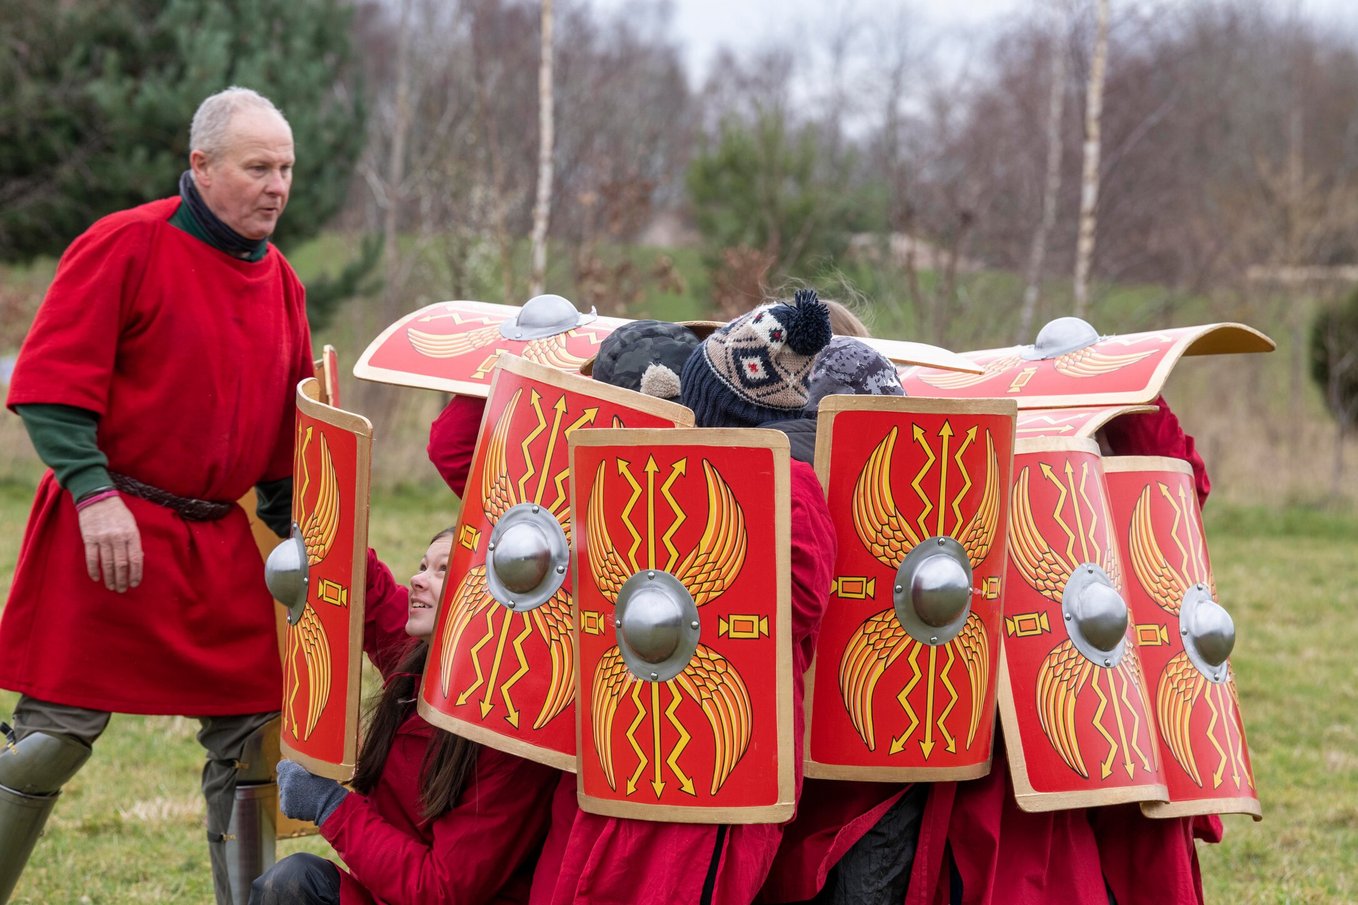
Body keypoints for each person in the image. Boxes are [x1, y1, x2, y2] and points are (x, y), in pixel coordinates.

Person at [0, 86, 313, 905]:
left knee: (253, 738)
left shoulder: (281, 280)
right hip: (107, 528)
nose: (276, 185)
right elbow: (50, 388)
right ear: (201, 165)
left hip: (216, 540)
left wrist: (307, 538)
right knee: (49, 741)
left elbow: (285, 442)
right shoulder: (123, 245)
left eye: (285, 168)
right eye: (257, 167)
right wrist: (94, 495)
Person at [525, 290, 838, 905]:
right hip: (636, 729)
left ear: (714, 404)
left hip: (726, 750)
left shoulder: (793, 487)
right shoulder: (658, 482)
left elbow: (795, 608)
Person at [903, 396, 1221, 905]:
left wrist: (1125, 389)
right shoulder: (967, 483)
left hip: (1123, 705)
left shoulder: (1118, 492)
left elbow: (1175, 489)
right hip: (1001, 731)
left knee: (1124, 854)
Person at [251, 531, 559, 905]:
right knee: (292, 882)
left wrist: (330, 806)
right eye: (422, 566)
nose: (417, 579)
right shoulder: (421, 655)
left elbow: (440, 889)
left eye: (443, 570)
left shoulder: (512, 733)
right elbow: (366, 586)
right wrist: (318, 516)